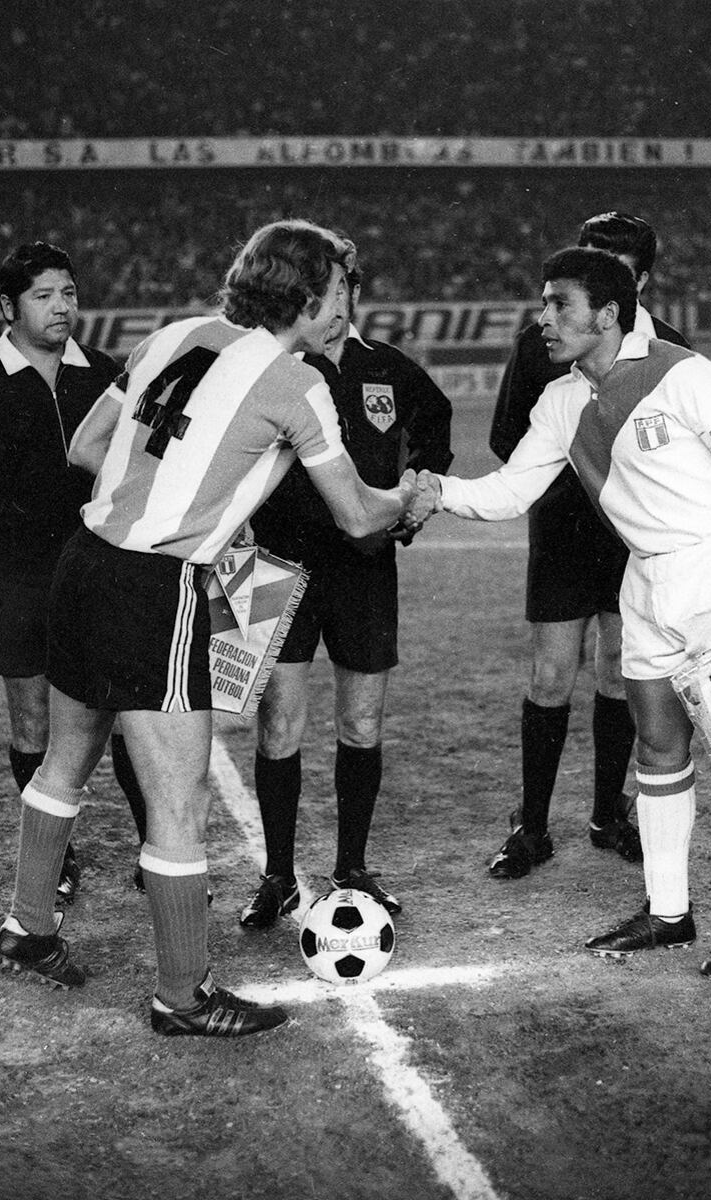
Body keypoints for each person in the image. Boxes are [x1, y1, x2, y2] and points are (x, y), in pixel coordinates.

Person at [0, 220, 417, 1038]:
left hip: (84, 563)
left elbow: (86, 448)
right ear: (301, 297)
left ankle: (28, 927)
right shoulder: (298, 382)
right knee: (179, 800)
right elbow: (360, 515)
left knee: (63, 764)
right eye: (334, 295)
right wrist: (411, 499)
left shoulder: (173, 335)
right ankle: (182, 997)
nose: (341, 312)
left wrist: (197, 494)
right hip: (158, 588)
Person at [408, 246, 711, 981]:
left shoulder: (682, 372)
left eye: (560, 305)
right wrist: (438, 491)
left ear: (607, 314)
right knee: (657, 750)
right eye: (544, 304)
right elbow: (512, 491)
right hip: (645, 583)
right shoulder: (559, 400)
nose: (543, 318)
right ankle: (669, 912)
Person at [238, 257, 453, 929]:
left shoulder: (387, 368)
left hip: (363, 567)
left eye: (331, 288)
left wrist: (417, 489)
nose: (324, 301)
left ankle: (351, 867)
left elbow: (437, 426)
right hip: (270, 566)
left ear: (350, 293)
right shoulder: (267, 366)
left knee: (362, 721)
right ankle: (276, 876)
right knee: (277, 722)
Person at [487, 213, 690, 880]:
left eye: (616, 267)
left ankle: (609, 815)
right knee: (551, 672)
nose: (597, 274)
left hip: (633, 533)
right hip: (565, 528)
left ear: (643, 279)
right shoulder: (540, 342)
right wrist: (580, 471)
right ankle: (533, 827)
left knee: (616, 670)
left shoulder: (671, 348)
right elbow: (507, 441)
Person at [0, 241, 140, 903]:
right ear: (9, 306)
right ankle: (60, 855)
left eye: (68, 293)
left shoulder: (104, 373)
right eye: (44, 295)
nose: (61, 307)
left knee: (133, 716)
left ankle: (157, 844)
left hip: (103, 574)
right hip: (15, 579)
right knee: (33, 726)